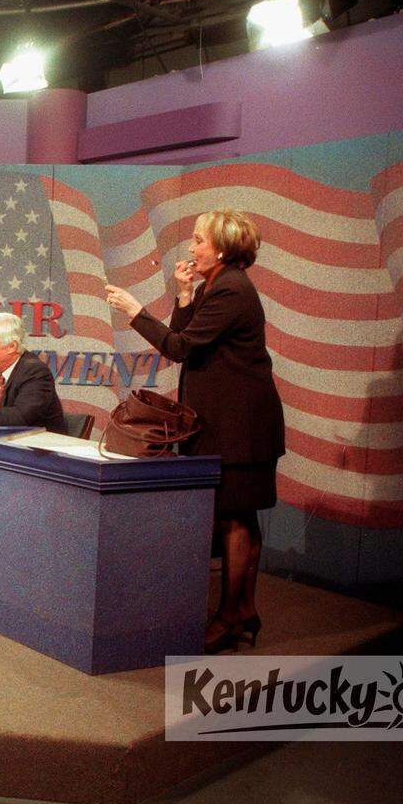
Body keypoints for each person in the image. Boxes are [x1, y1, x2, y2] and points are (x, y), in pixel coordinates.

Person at [104, 209, 285, 653]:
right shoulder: (214, 287)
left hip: (241, 426)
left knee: (234, 518)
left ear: (221, 248)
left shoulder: (231, 289)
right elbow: (186, 341)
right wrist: (184, 295)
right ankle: (243, 611)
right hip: (231, 423)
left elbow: (178, 347)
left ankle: (230, 616)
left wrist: (135, 313)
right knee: (237, 516)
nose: (191, 247)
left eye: (199, 240)